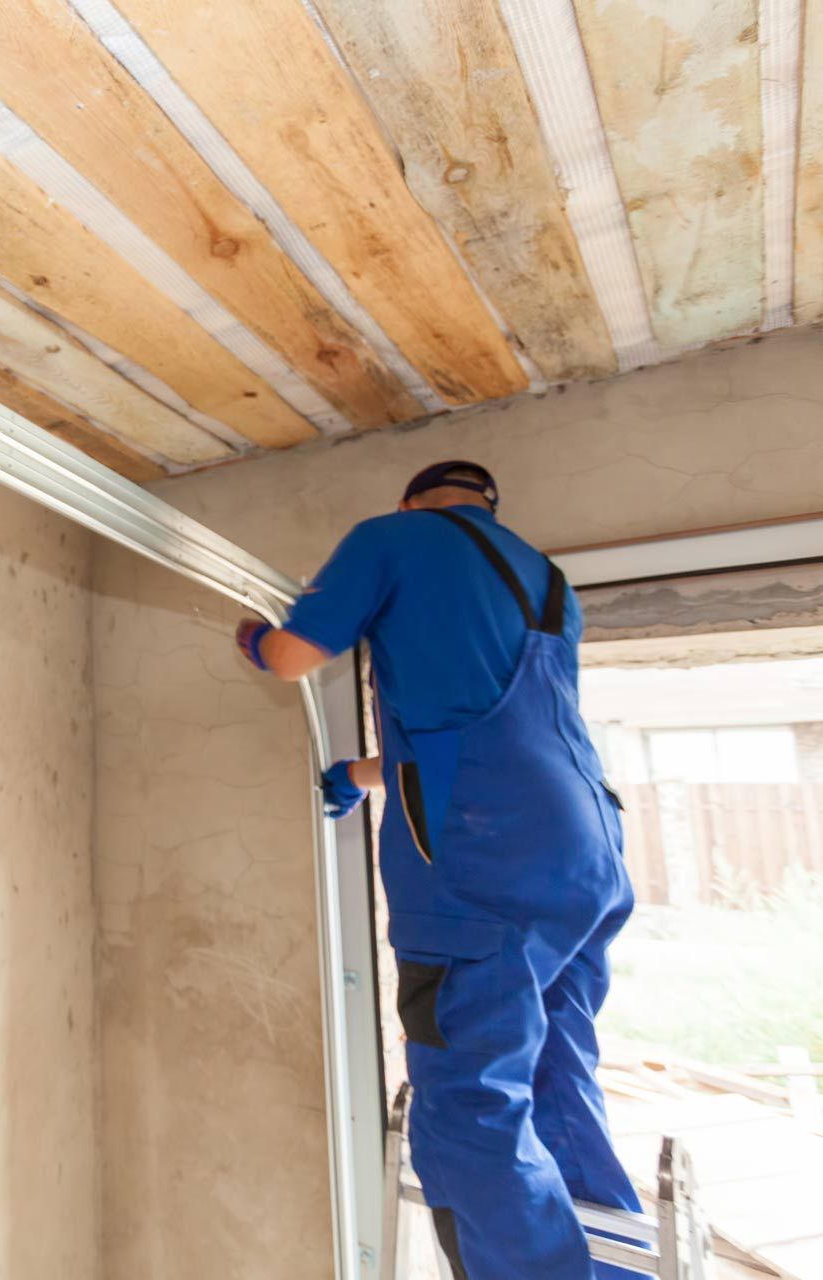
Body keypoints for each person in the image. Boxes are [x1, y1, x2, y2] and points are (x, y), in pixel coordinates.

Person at [234, 461, 639, 1279]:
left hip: (485, 877)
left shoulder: (391, 540)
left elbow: (289, 658)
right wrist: (358, 774)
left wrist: (251, 635)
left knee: (471, 1110)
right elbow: (489, 738)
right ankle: (618, 1265)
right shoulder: (546, 579)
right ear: (489, 506)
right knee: (557, 1074)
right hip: (586, 848)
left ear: (408, 502)